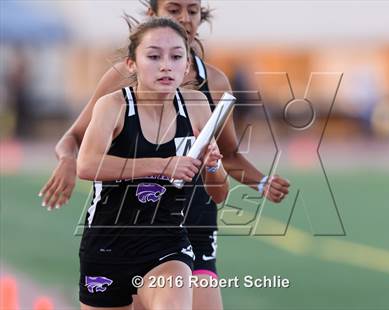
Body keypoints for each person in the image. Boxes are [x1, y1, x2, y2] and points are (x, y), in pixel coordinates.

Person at [39, 1, 290, 309]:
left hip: (186, 227)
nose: (185, 17)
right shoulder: (117, 90)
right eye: (174, 10)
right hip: (112, 234)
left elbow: (228, 157)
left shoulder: (210, 88)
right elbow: (81, 148)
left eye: (193, 10)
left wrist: (257, 181)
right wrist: (68, 161)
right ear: (152, 15)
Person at [77, 17, 228, 309]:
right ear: (131, 64)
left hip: (167, 243)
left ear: (186, 66)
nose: (165, 65)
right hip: (107, 245)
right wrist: (163, 166)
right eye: (154, 56)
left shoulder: (196, 105)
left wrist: (212, 166)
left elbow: (219, 194)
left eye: (176, 57)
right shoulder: (113, 106)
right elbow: (86, 165)